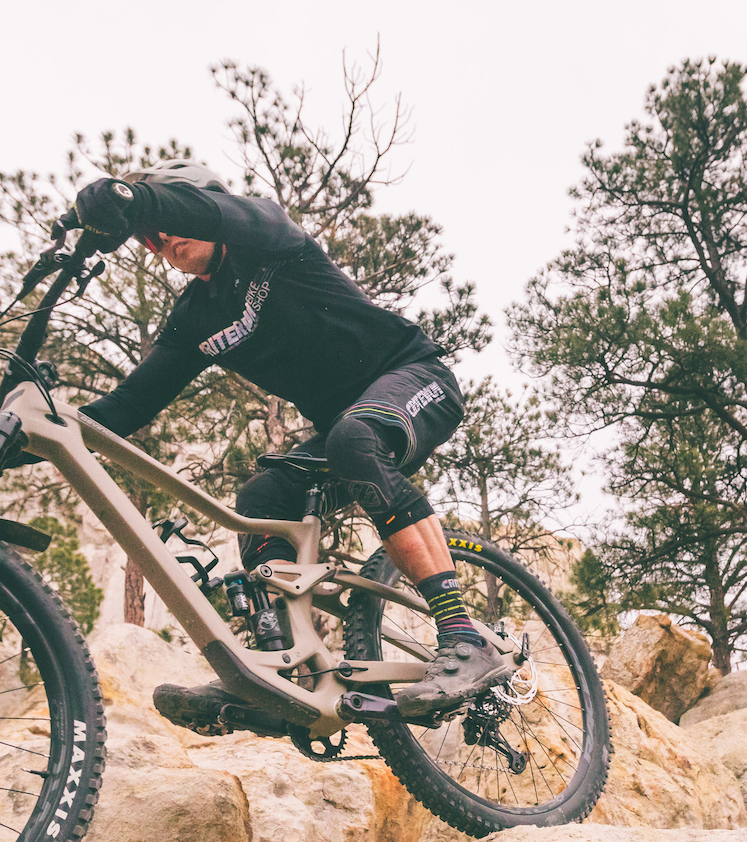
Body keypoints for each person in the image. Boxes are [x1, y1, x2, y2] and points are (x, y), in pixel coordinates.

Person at [61, 160, 513, 715]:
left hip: (414, 378)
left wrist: (134, 200)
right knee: (260, 502)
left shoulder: (266, 235)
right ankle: (280, 674)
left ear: (201, 203)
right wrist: (23, 433)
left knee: (355, 437)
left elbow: (212, 214)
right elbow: (127, 406)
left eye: (169, 219)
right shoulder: (194, 317)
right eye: (151, 240)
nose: (163, 241)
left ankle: (464, 636)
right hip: (343, 427)